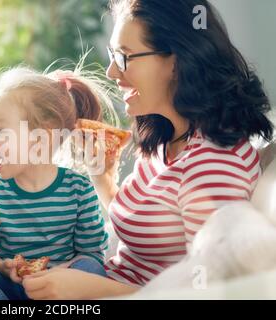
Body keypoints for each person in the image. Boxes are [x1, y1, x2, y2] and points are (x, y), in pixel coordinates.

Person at [21, 0, 274, 299]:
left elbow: (205, 291)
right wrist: (103, 178)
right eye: (114, 55)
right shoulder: (167, 136)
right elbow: (142, 234)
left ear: (177, 62)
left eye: (125, 57)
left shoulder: (213, 164)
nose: (112, 72)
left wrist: (89, 288)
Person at [0, 67, 113, 299]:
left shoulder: (79, 190)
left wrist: (56, 275)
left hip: (58, 290)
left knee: (92, 270)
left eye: (0, 130)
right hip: (3, 288)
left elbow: (92, 256)